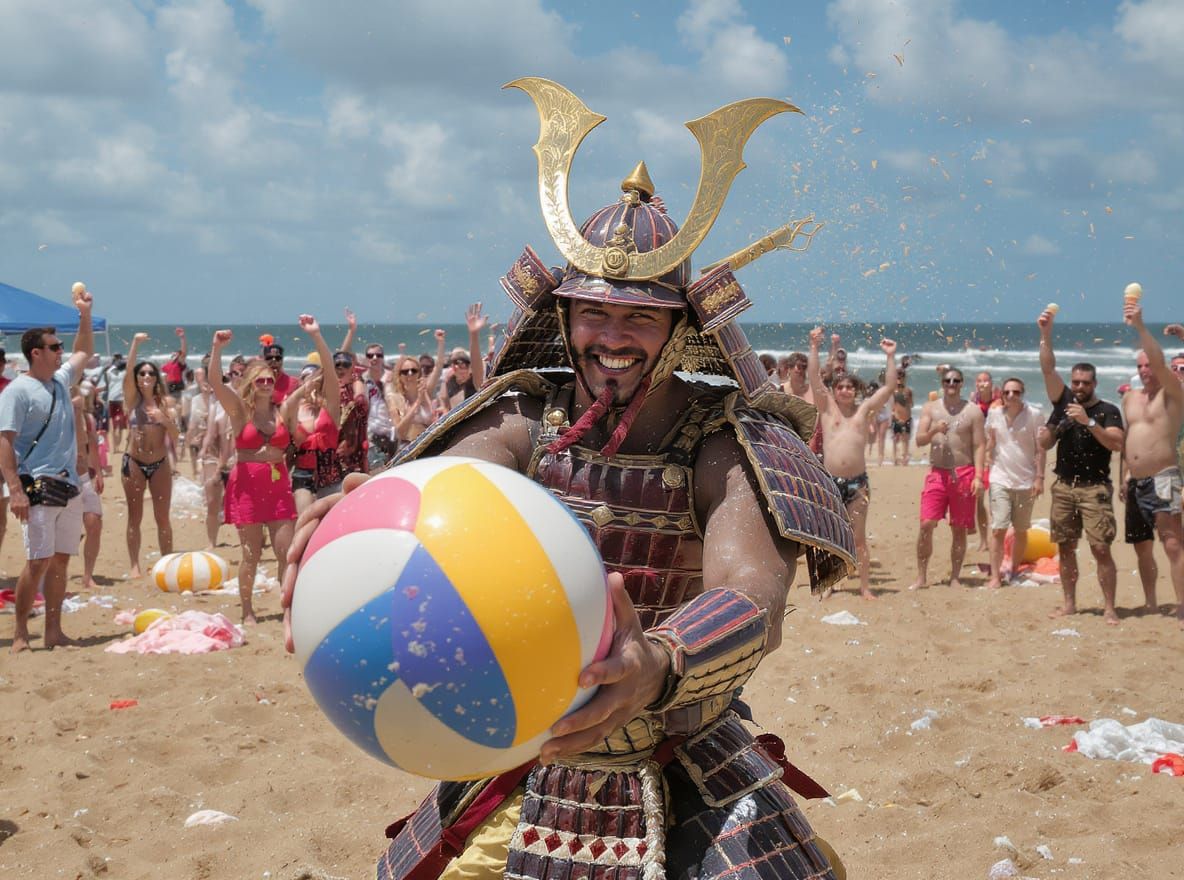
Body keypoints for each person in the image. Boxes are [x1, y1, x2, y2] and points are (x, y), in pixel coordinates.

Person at [281, 93, 856, 880]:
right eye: (591, 313)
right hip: (525, 745)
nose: (611, 338)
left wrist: (658, 660)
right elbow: (442, 489)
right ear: (565, 315)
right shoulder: (525, 415)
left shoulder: (726, 442)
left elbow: (755, 594)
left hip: (679, 750)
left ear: (682, 328)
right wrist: (356, 521)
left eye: (640, 321)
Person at [0, 284, 94, 652]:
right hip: (35, 485)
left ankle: (53, 631)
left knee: (60, 561)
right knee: (37, 562)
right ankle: (21, 633)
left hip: (68, 484)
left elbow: (84, 349)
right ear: (36, 353)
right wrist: (16, 491)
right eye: (55, 348)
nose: (61, 352)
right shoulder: (17, 391)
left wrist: (84, 313)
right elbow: (5, 441)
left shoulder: (58, 380)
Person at [1037, 306, 1125, 624]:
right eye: (1075, 381)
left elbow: (1116, 443)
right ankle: (1069, 603)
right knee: (1066, 547)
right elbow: (1048, 370)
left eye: (1084, 383)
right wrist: (1045, 334)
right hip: (1063, 486)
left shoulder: (1107, 410)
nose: (1078, 387)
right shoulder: (1062, 403)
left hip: (1095, 489)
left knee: (1101, 548)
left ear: (1094, 383)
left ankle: (1110, 608)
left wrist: (1088, 422)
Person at [210, 327, 298, 624]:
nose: (264, 383)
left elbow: (316, 384)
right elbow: (214, 382)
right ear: (250, 382)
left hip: (278, 486)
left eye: (269, 380)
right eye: (259, 379)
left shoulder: (281, 410)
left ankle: (288, 608)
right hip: (246, 486)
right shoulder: (238, 410)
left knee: (285, 553)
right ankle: (247, 609)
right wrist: (217, 348)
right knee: (251, 554)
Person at [809, 328, 897, 598]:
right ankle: (828, 584)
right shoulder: (827, 408)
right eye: (841, 386)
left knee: (858, 539)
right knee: (828, 537)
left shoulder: (864, 413)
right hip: (829, 482)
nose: (845, 390)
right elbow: (814, 378)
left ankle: (865, 586)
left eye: (850, 387)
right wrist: (814, 346)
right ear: (835, 390)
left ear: (856, 391)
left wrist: (890, 357)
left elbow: (889, 388)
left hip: (858, 484)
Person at [1119, 301, 1183, 626]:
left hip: (1163, 476)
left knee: (1172, 543)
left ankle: (1182, 606)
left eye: (1150, 366)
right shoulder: (1130, 398)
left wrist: (1141, 328)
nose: (1146, 370)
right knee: (1142, 547)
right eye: (1141, 366)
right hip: (1135, 481)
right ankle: (1151, 604)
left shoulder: (1172, 394)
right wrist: (1123, 476)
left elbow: (1160, 362)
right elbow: (1126, 440)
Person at [909, 366, 986, 589]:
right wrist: (934, 430)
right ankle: (922, 577)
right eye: (947, 381)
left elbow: (979, 445)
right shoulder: (930, 408)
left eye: (956, 381)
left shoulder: (973, 411)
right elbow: (920, 440)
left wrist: (979, 476)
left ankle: (955, 577)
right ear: (942, 384)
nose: (951, 385)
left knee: (959, 528)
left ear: (962, 384)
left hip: (964, 472)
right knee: (926, 524)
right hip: (937, 472)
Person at [121, 333, 181, 578]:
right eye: (142, 373)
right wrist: (134, 344)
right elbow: (126, 373)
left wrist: (164, 420)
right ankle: (134, 565)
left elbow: (177, 436)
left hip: (159, 463)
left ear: (157, 378)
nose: (146, 376)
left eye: (151, 373)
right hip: (134, 462)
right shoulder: (132, 399)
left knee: (162, 517)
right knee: (134, 517)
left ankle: (166, 562)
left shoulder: (166, 402)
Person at [983, 378, 1046, 589]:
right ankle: (995, 576)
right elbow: (990, 444)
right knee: (998, 529)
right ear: (1002, 394)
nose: (1011, 396)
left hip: (1025, 481)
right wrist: (988, 452)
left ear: (1023, 393)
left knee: (1020, 530)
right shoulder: (994, 414)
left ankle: (1015, 568)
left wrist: (1039, 478)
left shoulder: (1035, 415)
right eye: (1007, 392)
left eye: (1016, 392)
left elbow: (1041, 449)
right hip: (999, 477)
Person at [285, 322, 342, 511]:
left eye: (315, 377)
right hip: (303, 474)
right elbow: (286, 408)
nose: (311, 381)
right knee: (305, 521)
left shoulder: (331, 408)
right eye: (305, 377)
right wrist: (303, 389)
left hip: (331, 476)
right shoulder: (295, 409)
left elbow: (330, 371)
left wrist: (316, 335)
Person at [72, 378, 104, 589]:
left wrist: (99, 473)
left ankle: (87, 575)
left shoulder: (88, 419)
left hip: (84, 478)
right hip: (61, 480)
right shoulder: (56, 420)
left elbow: (91, 445)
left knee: (94, 524)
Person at [970, 371, 1001, 550]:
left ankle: (995, 538)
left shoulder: (998, 402)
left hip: (994, 454)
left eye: (986, 380)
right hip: (977, 453)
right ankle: (983, 539)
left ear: (991, 383)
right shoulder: (973, 402)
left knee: (993, 500)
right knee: (979, 501)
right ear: (976, 384)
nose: (983, 383)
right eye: (980, 380)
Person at [439, 303, 488, 410]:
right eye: (455, 363)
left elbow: (477, 366)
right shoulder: (450, 383)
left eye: (463, 363)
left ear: (470, 367)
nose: (458, 366)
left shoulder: (474, 382)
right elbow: (445, 408)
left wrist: (474, 334)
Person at [362, 342, 399, 471]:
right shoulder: (362, 380)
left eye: (378, 355)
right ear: (366, 358)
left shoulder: (393, 378)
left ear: (383, 357)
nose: (374, 358)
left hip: (393, 433)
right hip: (371, 435)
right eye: (370, 355)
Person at [390, 354, 439, 446]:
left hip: (429, 445)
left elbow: (434, 423)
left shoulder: (424, 393)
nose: (410, 374)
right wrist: (417, 403)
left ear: (419, 374)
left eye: (414, 370)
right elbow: (399, 433)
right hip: (407, 449)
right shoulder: (394, 399)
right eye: (405, 371)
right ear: (399, 376)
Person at [104, 352, 128, 453]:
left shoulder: (125, 372)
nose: (118, 360)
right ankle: (115, 446)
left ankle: (117, 444)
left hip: (122, 400)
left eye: (119, 358)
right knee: (114, 424)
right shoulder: (109, 371)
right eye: (116, 358)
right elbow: (107, 382)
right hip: (112, 399)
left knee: (121, 425)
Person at [891, 369, 914, 466]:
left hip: (907, 418)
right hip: (897, 417)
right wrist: (895, 416)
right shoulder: (893, 391)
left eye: (901, 377)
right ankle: (895, 457)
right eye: (898, 377)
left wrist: (908, 399)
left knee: (906, 439)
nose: (899, 379)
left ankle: (905, 457)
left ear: (904, 378)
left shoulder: (908, 390)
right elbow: (891, 405)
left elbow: (912, 404)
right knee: (896, 439)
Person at [160, 327, 188, 403]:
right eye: (174, 353)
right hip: (167, 390)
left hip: (177, 389)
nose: (174, 354)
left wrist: (182, 337)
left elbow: (183, 353)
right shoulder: (167, 365)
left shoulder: (178, 363)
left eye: (177, 354)